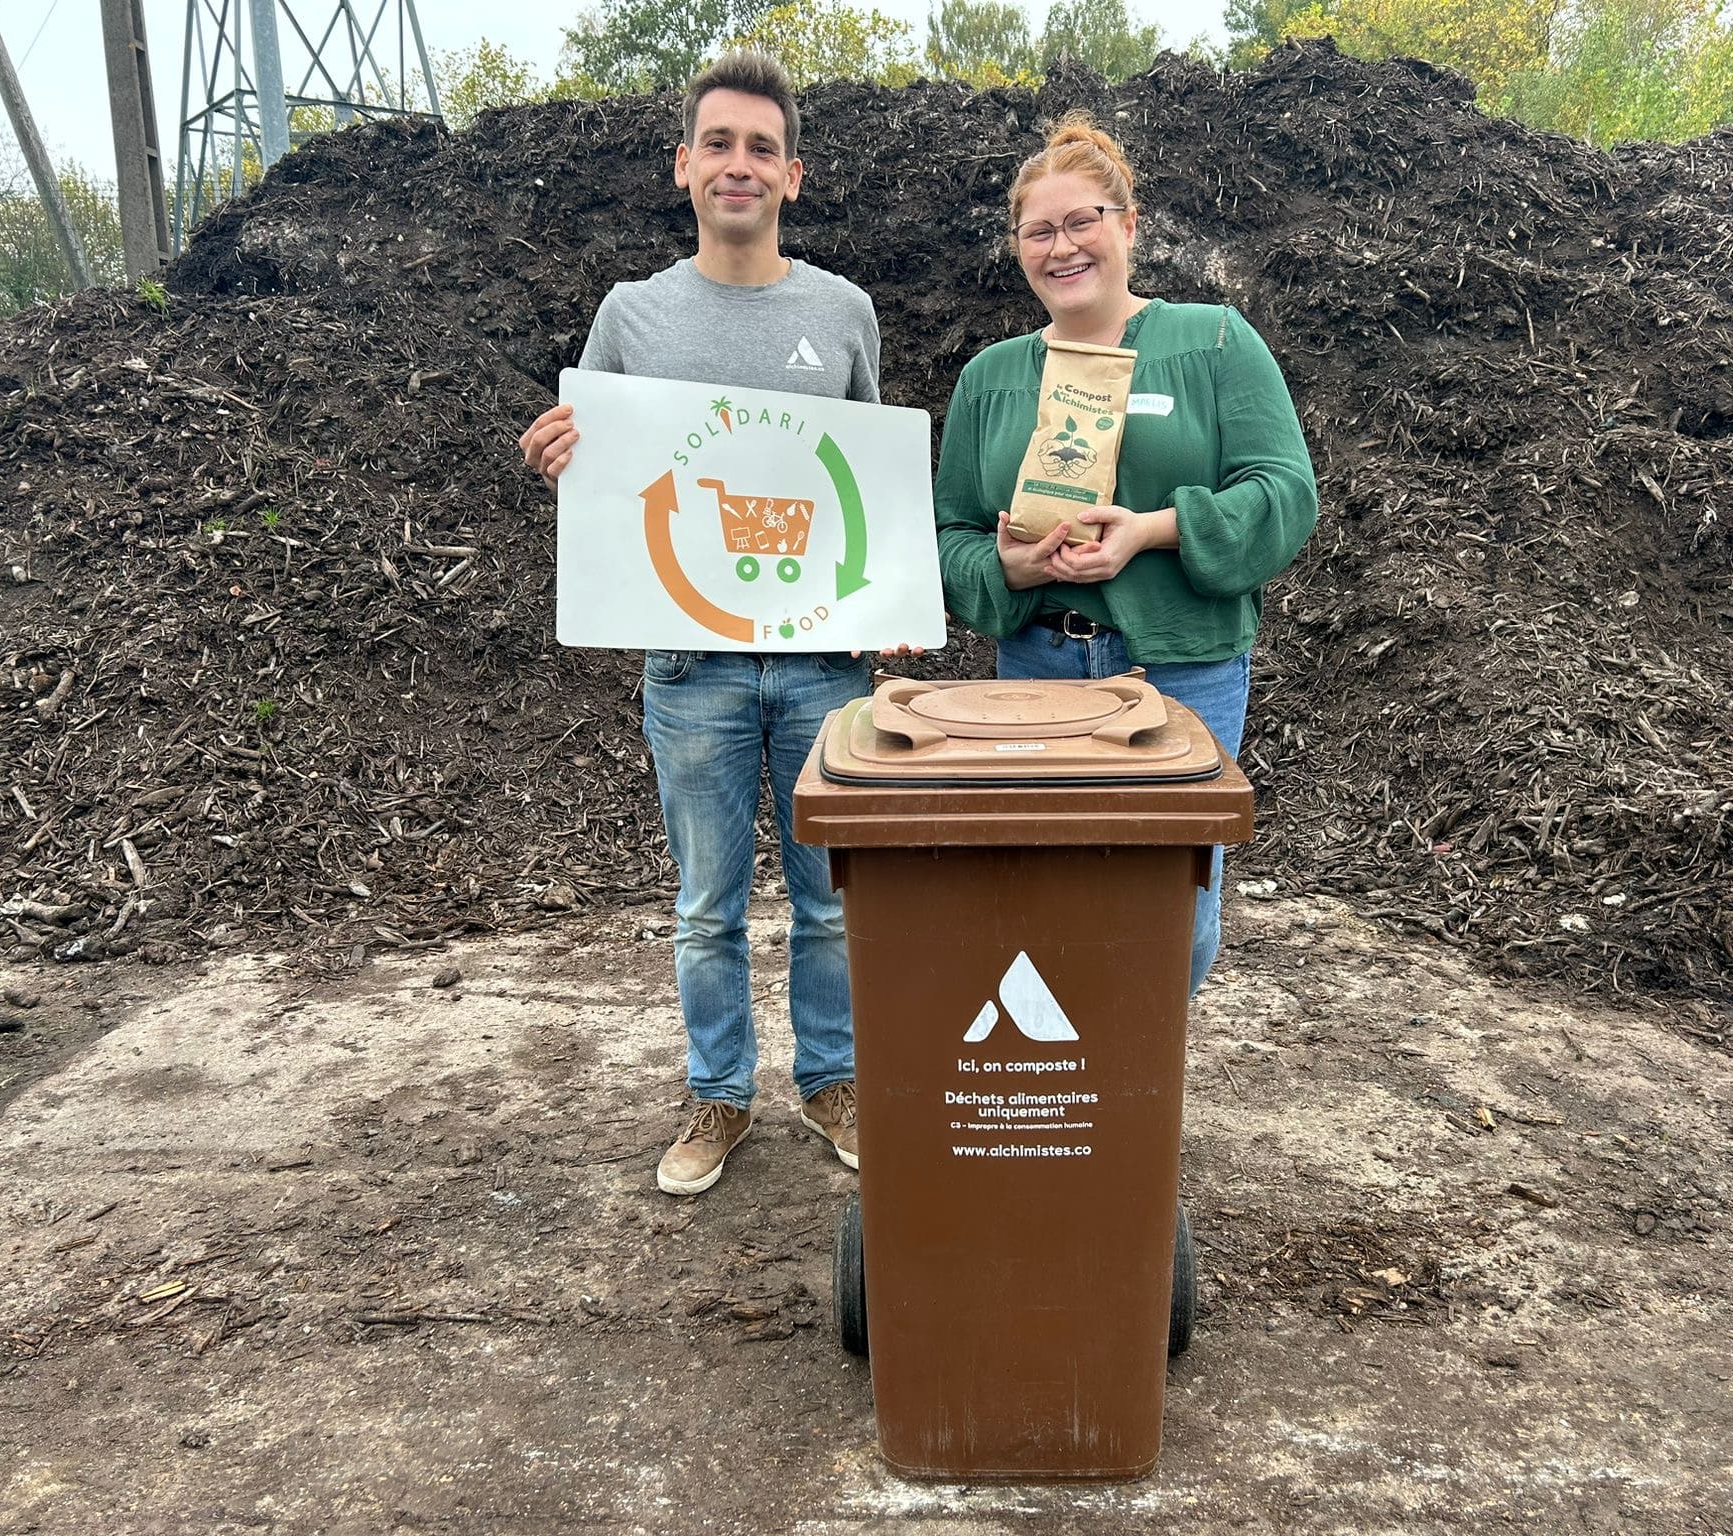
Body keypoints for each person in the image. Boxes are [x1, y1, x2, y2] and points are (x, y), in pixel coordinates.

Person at [520, 52, 879, 1197]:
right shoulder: (630, 316)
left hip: (822, 666)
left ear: (792, 175)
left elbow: (861, 487)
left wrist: (886, 595)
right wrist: (557, 460)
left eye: (761, 148)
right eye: (718, 143)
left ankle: (832, 1082)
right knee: (704, 910)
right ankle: (719, 1096)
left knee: (831, 903)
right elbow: (602, 477)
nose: (739, 165)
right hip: (690, 669)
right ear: (683, 166)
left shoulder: (842, 313)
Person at [932, 113, 1319, 996]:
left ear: (1129, 225)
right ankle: (1073, 1072)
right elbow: (949, 533)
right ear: (1018, 247)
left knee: (1173, 913)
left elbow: (1285, 494)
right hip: (1037, 672)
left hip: (1181, 671)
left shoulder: (1213, 342)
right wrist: (1006, 570)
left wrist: (1153, 529)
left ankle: (1138, 1067)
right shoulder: (990, 378)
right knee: (1039, 900)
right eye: (1039, 231)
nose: (1062, 247)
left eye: (1083, 221)